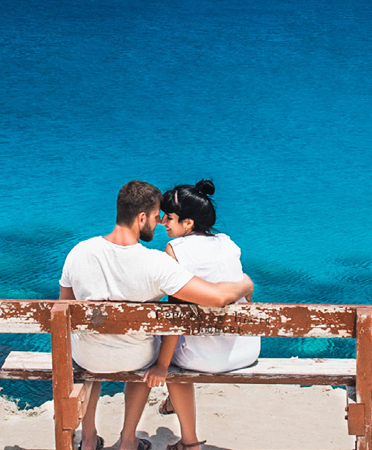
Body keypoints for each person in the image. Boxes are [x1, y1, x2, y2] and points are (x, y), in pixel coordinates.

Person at [59, 180, 254, 450]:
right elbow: (218, 298)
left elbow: (64, 309)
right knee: (147, 358)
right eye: (154, 216)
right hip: (136, 359)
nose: (159, 222)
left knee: (90, 356)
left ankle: (89, 439)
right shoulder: (157, 263)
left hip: (88, 357)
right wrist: (246, 284)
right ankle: (128, 441)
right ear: (141, 218)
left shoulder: (78, 252)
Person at [143, 180, 260, 450]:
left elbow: (177, 315)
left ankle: (190, 442)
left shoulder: (176, 251)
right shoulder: (228, 243)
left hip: (206, 359)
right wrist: (246, 283)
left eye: (170, 218)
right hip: (245, 350)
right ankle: (172, 403)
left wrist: (162, 365)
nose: (163, 223)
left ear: (188, 223)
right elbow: (241, 292)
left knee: (170, 361)